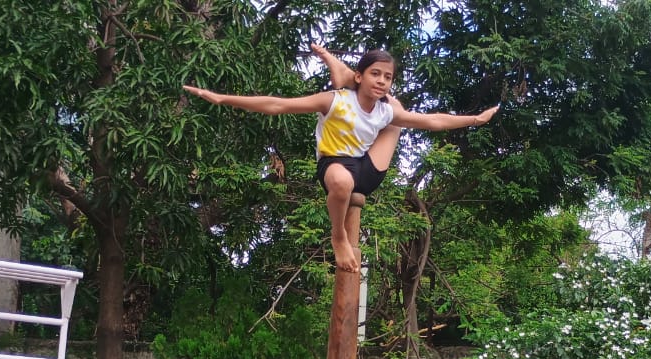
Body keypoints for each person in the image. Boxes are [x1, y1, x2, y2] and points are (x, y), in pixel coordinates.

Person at [182, 45, 498, 273]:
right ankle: (338, 238)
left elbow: (433, 121)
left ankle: (340, 68)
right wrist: (222, 99)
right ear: (361, 77)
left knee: (399, 116)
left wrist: (474, 120)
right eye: (375, 74)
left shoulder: (386, 108)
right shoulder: (334, 101)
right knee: (343, 181)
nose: (382, 81)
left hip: (367, 167)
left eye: (387, 77)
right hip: (334, 165)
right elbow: (277, 104)